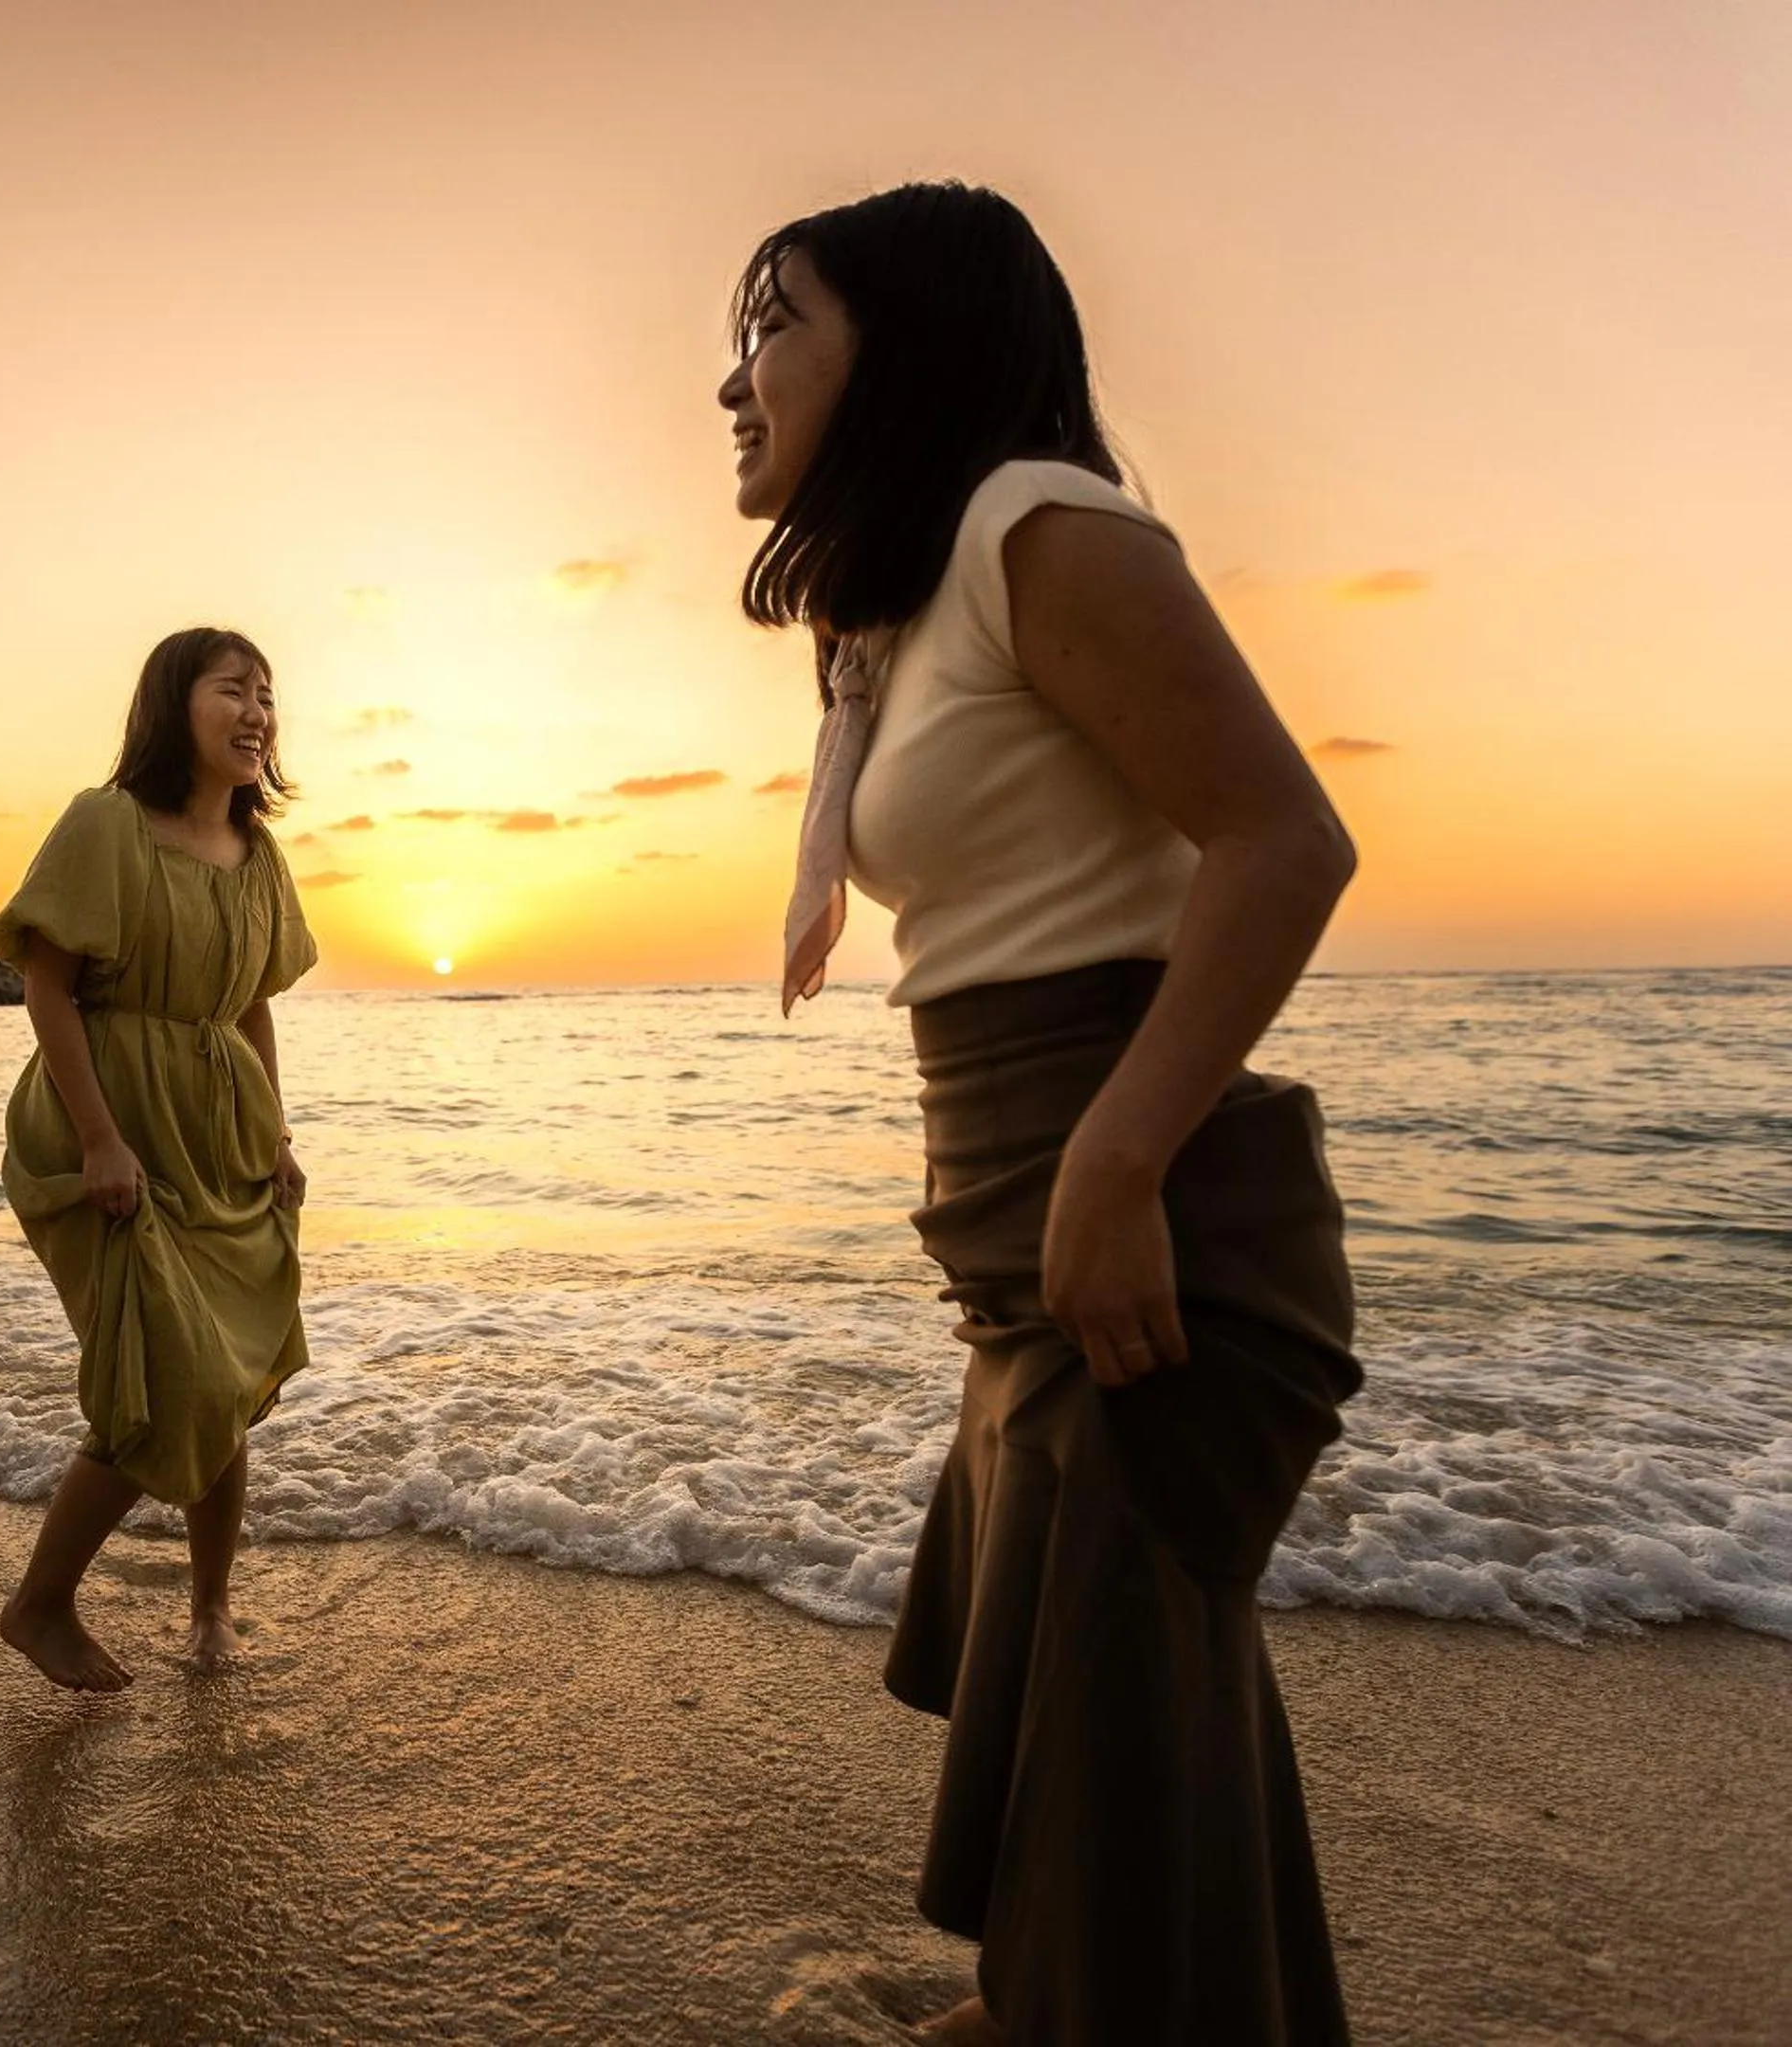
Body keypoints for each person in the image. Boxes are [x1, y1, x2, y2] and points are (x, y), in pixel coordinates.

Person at [719, 183, 1364, 2044]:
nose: (734, 382)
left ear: (903, 348)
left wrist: (1117, 1156)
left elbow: (1285, 841)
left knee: (1133, 1763)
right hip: (1026, 1258)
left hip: (1138, 1237)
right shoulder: (917, 598)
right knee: (1141, 1775)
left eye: (777, 325)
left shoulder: (1040, 523)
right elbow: (858, 693)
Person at [0, 625, 317, 1692]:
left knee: (229, 1384)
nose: (256, 711)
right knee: (161, 1382)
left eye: (267, 695)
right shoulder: (107, 825)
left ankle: (211, 1608)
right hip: (116, 1129)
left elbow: (252, 1007)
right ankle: (40, 1604)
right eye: (233, 690)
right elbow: (50, 986)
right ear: (175, 704)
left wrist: (276, 1140)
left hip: (221, 1139)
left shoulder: (259, 856)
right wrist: (98, 1138)